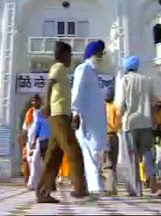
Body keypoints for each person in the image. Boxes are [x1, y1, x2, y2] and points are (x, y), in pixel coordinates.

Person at [36, 41, 86, 203]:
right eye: (69, 54)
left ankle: (43, 191)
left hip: (62, 114)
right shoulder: (58, 67)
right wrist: (46, 104)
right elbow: (49, 85)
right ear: (63, 55)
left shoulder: (63, 70)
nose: (71, 57)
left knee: (54, 156)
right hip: (57, 115)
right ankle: (80, 189)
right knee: (74, 150)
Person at [118, 55, 158, 197]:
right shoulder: (147, 80)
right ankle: (152, 175)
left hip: (130, 123)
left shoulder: (125, 80)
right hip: (146, 121)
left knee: (132, 156)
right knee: (147, 152)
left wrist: (117, 121)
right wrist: (154, 121)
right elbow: (154, 102)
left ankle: (137, 189)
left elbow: (121, 104)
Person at [72, 40, 107, 194]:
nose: (101, 56)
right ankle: (94, 186)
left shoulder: (93, 71)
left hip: (95, 120)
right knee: (90, 151)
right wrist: (76, 112)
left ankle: (94, 185)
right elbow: (77, 91)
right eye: (100, 53)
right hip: (86, 119)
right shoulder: (84, 69)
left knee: (95, 151)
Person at [22, 94, 43, 190]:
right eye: (33, 100)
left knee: (35, 161)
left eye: (36, 100)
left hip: (40, 139)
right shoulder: (29, 113)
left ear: (40, 101)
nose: (34, 102)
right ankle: (35, 182)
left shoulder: (43, 112)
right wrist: (22, 137)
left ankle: (32, 184)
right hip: (29, 141)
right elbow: (25, 127)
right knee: (30, 161)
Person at [101, 91, 120, 195]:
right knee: (113, 163)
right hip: (115, 137)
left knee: (107, 164)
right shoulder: (116, 108)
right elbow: (119, 122)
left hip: (106, 136)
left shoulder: (102, 109)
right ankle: (113, 187)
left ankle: (109, 188)